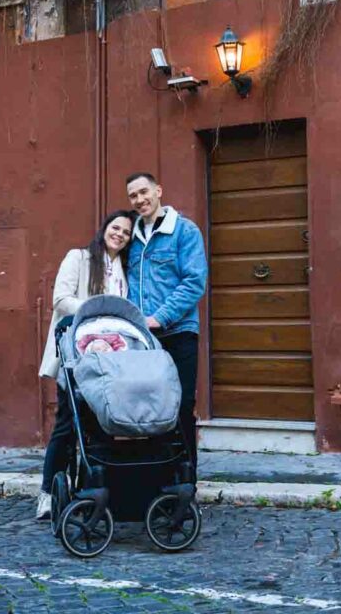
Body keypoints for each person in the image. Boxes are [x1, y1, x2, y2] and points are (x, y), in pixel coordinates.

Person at [35, 208, 134, 519]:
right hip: (75, 356)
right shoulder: (78, 258)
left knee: (99, 426)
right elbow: (61, 299)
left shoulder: (123, 270)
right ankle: (48, 494)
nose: (119, 234)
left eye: (126, 232)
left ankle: (90, 492)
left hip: (109, 361)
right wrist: (99, 311)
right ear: (105, 228)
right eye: (115, 227)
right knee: (66, 425)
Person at [125, 172, 207, 472]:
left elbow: (194, 282)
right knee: (148, 409)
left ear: (158, 190)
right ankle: (156, 481)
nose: (139, 200)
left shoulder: (184, 231)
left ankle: (185, 484)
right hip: (144, 340)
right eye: (133, 196)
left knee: (181, 408)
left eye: (144, 192)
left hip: (179, 333)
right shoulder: (130, 237)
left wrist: (160, 318)